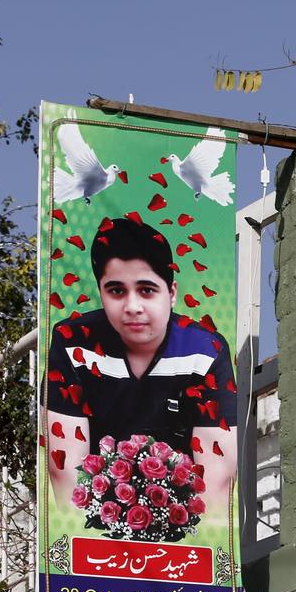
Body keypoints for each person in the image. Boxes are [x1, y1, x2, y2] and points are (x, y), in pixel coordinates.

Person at [43, 217, 237, 518]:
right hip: (97, 533)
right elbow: (67, 476)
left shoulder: (205, 351)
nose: (133, 306)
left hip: (183, 535)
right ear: (100, 291)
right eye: (117, 291)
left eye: (146, 290)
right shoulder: (72, 345)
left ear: (171, 293)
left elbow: (217, 482)